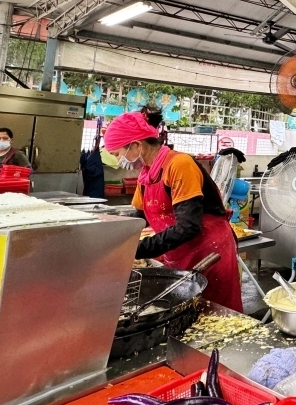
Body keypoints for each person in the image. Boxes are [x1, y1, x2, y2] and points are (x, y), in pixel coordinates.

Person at [103, 110, 242, 311]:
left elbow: (188, 226)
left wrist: (137, 249)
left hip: (209, 252)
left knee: (215, 316)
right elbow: (139, 216)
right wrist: (113, 238)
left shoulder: (180, 165)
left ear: (135, 145)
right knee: (184, 315)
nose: (118, 160)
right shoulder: (147, 174)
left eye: (117, 153)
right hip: (178, 251)